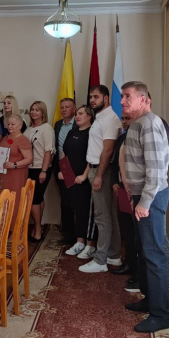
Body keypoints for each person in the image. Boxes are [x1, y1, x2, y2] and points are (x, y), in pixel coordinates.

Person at [121, 81, 169, 333]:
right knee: (144, 252)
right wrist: (136, 195)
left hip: (151, 197)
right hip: (142, 195)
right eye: (122, 96)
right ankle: (150, 300)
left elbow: (156, 170)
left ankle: (161, 315)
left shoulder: (150, 124)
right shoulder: (138, 123)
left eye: (127, 96)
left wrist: (145, 201)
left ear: (143, 99)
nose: (122, 101)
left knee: (154, 255)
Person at [78, 85, 122, 273]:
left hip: (102, 171)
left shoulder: (110, 119)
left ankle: (100, 260)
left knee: (102, 217)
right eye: (91, 97)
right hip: (96, 169)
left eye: (96, 97)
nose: (92, 100)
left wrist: (99, 176)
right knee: (109, 215)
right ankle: (113, 255)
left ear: (106, 98)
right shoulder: (100, 117)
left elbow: (108, 150)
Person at [59, 105, 98, 257]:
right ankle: (79, 241)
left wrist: (84, 175)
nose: (77, 116)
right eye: (76, 114)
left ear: (89, 116)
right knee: (73, 207)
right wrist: (63, 171)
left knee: (84, 210)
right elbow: (65, 153)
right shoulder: (72, 132)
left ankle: (88, 244)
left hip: (83, 179)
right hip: (70, 177)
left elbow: (92, 156)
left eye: (81, 113)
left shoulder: (92, 133)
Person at [0, 114, 33, 230]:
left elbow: (29, 159)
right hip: (1, 175)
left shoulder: (23, 140)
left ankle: (14, 230)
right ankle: (1, 229)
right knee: (1, 199)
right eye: (8, 124)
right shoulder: (5, 138)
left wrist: (14, 165)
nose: (10, 126)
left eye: (13, 124)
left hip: (16, 176)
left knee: (14, 201)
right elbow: (0, 154)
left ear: (20, 125)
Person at [111, 112, 137, 277]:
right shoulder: (121, 138)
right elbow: (116, 163)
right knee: (126, 227)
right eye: (123, 118)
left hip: (137, 189)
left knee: (137, 230)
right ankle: (129, 262)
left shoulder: (140, 137)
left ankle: (138, 267)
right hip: (122, 187)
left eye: (128, 118)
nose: (124, 122)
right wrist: (115, 181)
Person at [24, 101, 54, 242]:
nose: (34, 112)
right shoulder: (29, 128)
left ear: (43, 113)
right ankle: (38, 226)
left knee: (34, 199)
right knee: (38, 198)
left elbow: (48, 151)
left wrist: (44, 170)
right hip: (28, 168)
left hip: (40, 168)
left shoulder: (46, 128)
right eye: (32, 109)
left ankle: (37, 230)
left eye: (37, 110)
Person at [53, 97, 77, 244]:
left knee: (73, 201)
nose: (64, 110)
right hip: (60, 166)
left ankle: (77, 234)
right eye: (62, 107)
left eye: (67, 107)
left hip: (74, 166)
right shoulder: (57, 125)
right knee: (64, 201)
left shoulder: (79, 124)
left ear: (74, 109)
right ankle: (67, 233)